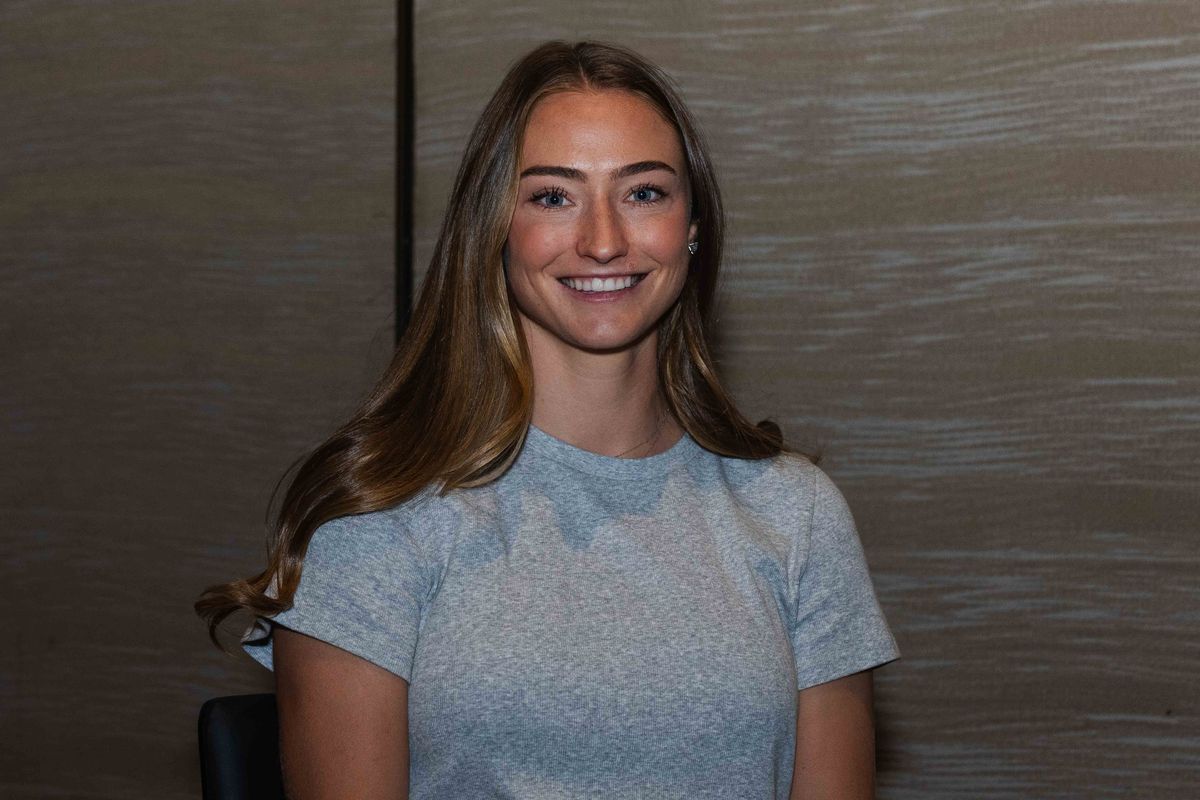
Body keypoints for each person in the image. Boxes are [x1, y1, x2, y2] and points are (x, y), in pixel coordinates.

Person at [195, 39, 899, 800]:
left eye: (645, 192)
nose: (602, 240)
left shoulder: (797, 514)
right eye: (553, 196)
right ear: (494, 229)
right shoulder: (376, 514)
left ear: (691, 229)